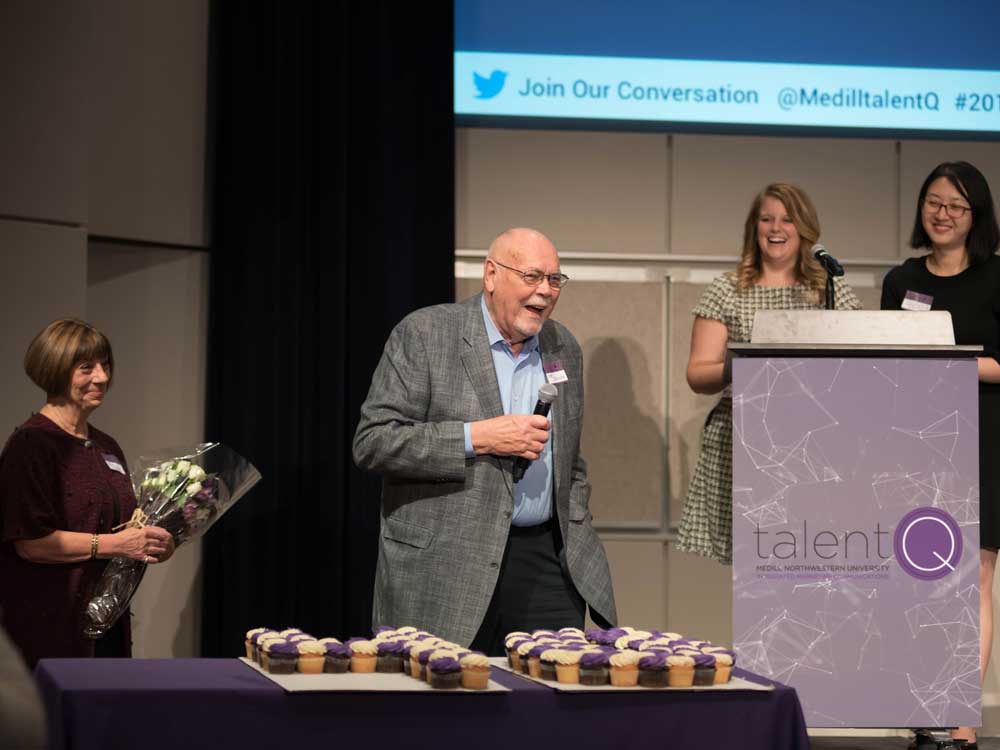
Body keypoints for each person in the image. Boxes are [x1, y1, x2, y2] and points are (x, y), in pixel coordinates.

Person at [353, 227, 616, 655]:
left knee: (551, 708)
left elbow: (571, 457)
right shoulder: (425, 334)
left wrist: (575, 515)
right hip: (449, 562)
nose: (545, 291)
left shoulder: (562, 345)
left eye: (554, 280)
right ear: (491, 275)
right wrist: (479, 437)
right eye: (532, 277)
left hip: (546, 563)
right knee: (446, 711)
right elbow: (374, 442)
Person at [676, 182, 862, 564]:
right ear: (754, 227)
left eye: (787, 220)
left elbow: (860, 360)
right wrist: (744, 364)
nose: (776, 228)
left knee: (812, 559)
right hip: (743, 438)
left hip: (814, 445)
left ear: (805, 228)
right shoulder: (727, 289)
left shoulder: (828, 288)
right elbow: (698, 373)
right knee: (754, 571)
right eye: (766, 219)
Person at [881, 161, 1000, 750]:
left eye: (956, 204)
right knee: (920, 579)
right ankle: (923, 705)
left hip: (982, 436)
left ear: (975, 215)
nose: (943, 213)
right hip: (913, 443)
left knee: (974, 577)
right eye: (934, 201)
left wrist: (945, 360)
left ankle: (961, 716)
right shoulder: (900, 279)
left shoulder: (998, 278)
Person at [0, 319, 175, 667]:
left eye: (105, 365)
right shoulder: (32, 444)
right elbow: (31, 543)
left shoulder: (106, 445)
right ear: (54, 371)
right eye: (86, 368)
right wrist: (116, 545)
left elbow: (124, 529)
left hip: (105, 622)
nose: (102, 377)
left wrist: (156, 542)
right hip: (50, 626)